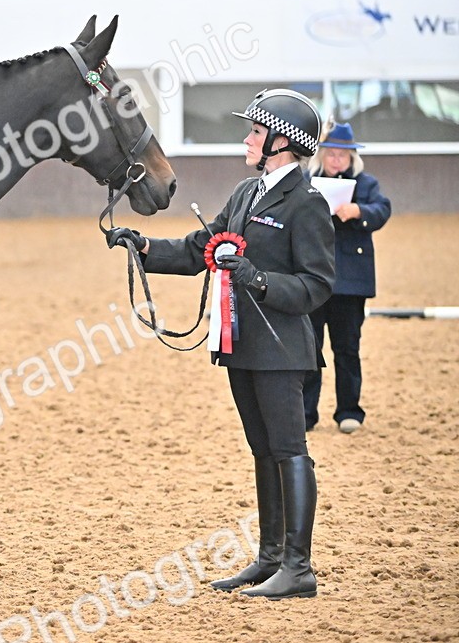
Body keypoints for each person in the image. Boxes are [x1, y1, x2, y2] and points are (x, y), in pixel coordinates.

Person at [106, 88, 335, 600]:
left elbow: (317, 286)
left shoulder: (308, 204)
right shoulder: (246, 193)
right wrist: (143, 247)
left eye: (256, 132)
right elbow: (199, 249)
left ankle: (299, 567)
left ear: (283, 143)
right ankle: (270, 558)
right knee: (262, 451)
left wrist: (258, 279)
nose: (248, 139)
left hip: (282, 348)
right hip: (242, 344)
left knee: (289, 450)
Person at [302, 121, 391, 434]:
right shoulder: (306, 181)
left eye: (343, 155)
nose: (337, 160)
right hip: (312, 279)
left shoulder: (366, 185)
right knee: (309, 349)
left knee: (347, 348)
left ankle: (349, 411)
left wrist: (358, 212)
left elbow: (382, 210)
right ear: (322, 155)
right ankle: (305, 413)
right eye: (331, 154)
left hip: (351, 283)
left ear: (352, 158)